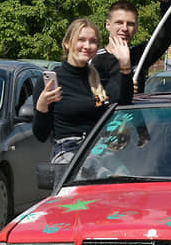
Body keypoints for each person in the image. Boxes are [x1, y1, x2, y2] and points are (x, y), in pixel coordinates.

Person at [92, 0, 171, 101]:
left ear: (137, 28)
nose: (125, 28)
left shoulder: (140, 55)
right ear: (108, 25)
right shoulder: (94, 60)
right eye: (119, 23)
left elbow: (170, 31)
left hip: (135, 121)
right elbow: (86, 100)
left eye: (131, 24)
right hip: (107, 121)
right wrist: (119, 89)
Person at [32, 19, 113, 164]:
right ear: (67, 43)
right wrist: (42, 107)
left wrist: (125, 71)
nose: (87, 46)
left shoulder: (99, 80)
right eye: (81, 40)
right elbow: (41, 135)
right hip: (68, 153)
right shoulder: (51, 82)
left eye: (93, 41)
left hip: (100, 150)